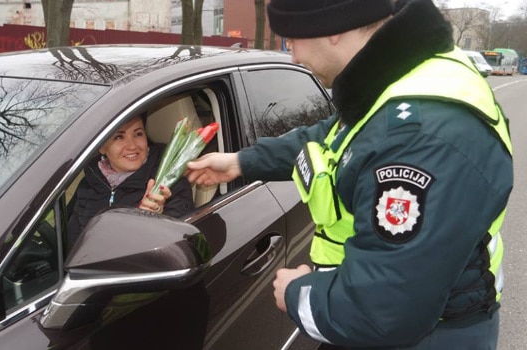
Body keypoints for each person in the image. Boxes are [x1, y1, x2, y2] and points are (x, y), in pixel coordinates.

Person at [186, 0, 513, 349]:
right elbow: (338, 137)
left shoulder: (417, 137)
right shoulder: (399, 80)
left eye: (291, 40)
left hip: (429, 336)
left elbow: (384, 312)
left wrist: (297, 293)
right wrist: (241, 162)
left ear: (333, 29)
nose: (292, 56)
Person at [67, 114, 194, 246]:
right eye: (119, 137)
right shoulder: (90, 181)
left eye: (138, 134)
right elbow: (71, 243)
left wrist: (150, 221)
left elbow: (175, 247)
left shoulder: (169, 181)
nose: (132, 146)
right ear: (102, 147)